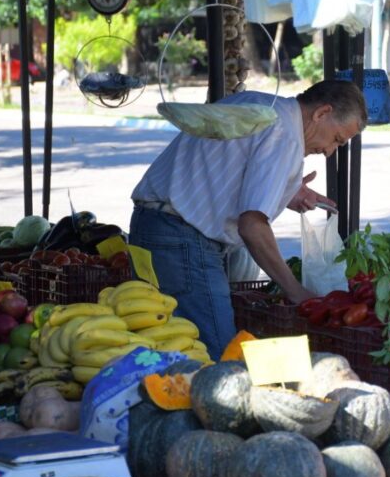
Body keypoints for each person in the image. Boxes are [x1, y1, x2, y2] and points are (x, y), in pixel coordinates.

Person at [129, 80, 367, 359]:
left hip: (155, 227)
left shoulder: (261, 104)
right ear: (322, 113)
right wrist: (296, 291)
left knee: (172, 347)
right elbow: (252, 226)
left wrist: (286, 191)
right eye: (336, 139)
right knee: (217, 356)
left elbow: (226, 169)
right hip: (179, 239)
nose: (329, 151)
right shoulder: (286, 135)